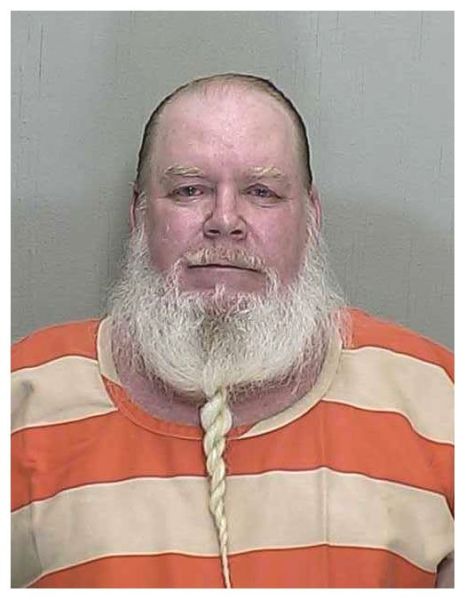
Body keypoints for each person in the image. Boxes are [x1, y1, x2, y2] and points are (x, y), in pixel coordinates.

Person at [11, 73, 454, 588]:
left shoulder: (440, 401)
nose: (225, 220)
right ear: (139, 214)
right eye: (189, 190)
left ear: (310, 217)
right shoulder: (21, 399)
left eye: (262, 192)